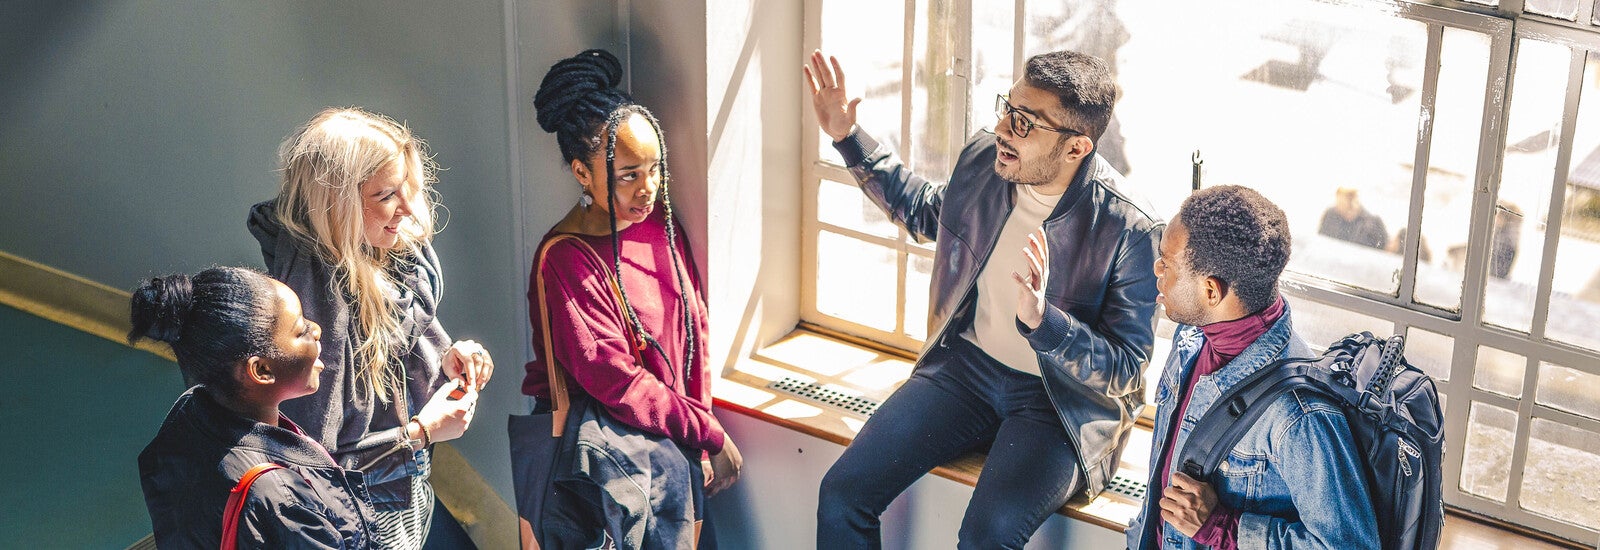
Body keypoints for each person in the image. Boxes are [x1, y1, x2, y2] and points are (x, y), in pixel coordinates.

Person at [806, 49, 1162, 548]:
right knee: (842, 494)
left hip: (1058, 404)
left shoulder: (1131, 228)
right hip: (964, 369)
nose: (1002, 128)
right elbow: (926, 211)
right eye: (1006, 107)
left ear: (1077, 147)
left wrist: (1046, 324)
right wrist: (847, 136)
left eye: (1023, 122)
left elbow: (1126, 371)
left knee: (985, 539)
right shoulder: (983, 160)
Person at [520, 48, 742, 547]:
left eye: (654, 168)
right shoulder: (566, 259)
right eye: (628, 176)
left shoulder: (659, 224)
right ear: (582, 173)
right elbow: (615, 381)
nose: (648, 189)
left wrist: (698, 433)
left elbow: (693, 334)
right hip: (600, 462)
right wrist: (706, 433)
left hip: (671, 440)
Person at [248, 107, 495, 549]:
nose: (408, 208)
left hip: (403, 495)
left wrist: (451, 356)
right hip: (362, 520)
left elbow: (397, 355)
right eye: (386, 195)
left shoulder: (378, 257)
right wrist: (419, 433)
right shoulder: (316, 299)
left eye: (408, 189)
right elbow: (316, 461)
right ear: (335, 201)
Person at [1127, 185, 1378, 549]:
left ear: (1211, 291)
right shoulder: (1191, 341)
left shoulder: (1300, 416)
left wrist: (1221, 528)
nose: (1157, 269)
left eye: (1167, 262)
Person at [135, 267, 379, 549]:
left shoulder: (188, 412)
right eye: (301, 330)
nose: (316, 329)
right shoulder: (281, 498)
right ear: (262, 370)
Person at [1317, 187, 1388, 249]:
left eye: (1351, 196)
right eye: (1345, 197)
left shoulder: (1374, 223)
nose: (1348, 202)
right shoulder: (1330, 215)